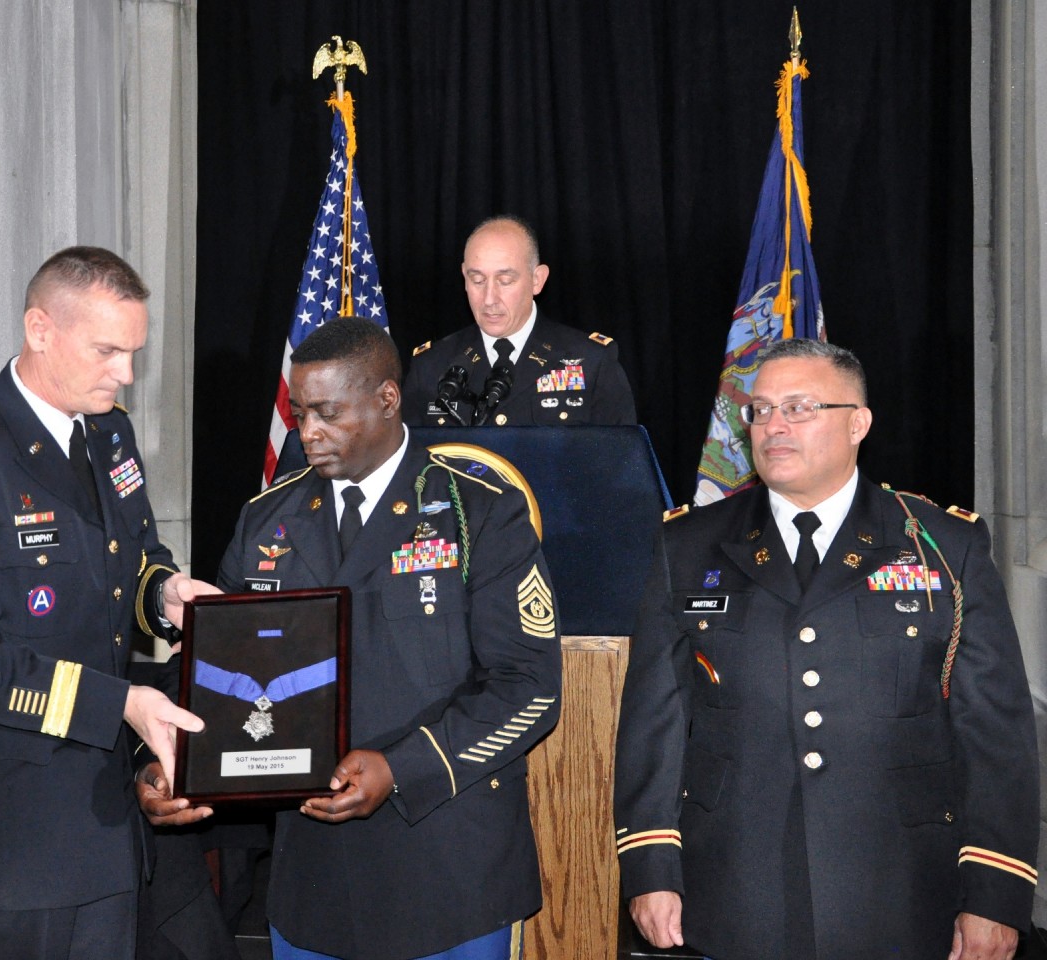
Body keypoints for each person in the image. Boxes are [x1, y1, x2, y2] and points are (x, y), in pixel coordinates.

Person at [141, 316, 562, 960]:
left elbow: (529, 687)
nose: (308, 433)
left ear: (387, 400)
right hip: (315, 883)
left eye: (328, 413)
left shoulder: (479, 511)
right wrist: (171, 762)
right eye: (300, 412)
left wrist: (403, 768)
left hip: (447, 866)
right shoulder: (266, 520)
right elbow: (215, 670)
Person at [614, 338, 1040, 960]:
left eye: (799, 408)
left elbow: (995, 732)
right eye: (758, 411)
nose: (772, 427)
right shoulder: (689, 546)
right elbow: (656, 717)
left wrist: (995, 893)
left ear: (858, 423)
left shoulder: (944, 545)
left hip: (902, 885)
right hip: (737, 881)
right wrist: (650, 867)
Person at [0, 246, 215, 960]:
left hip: (103, 825)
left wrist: (165, 596)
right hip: (6, 835)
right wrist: (121, 704)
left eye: (133, 352)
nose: (126, 373)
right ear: (40, 329)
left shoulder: (109, 432)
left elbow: (132, 559)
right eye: (107, 351)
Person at [403, 216, 636, 427]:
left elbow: (618, 466)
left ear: (537, 280)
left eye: (505, 281)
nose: (489, 298)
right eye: (477, 280)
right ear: (464, 277)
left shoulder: (592, 362)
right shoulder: (431, 367)